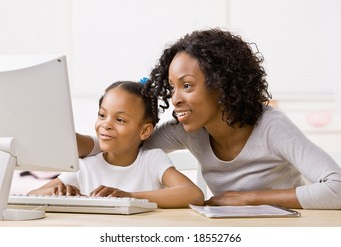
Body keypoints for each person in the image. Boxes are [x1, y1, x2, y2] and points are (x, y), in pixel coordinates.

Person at [78, 29, 341, 209]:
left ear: (222, 85)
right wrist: (66, 143)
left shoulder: (271, 127)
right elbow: (128, 142)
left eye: (188, 86)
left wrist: (249, 198)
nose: (175, 99)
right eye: (172, 88)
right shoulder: (190, 130)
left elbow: (336, 188)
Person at [28, 81, 204, 208]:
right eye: (102, 115)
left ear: (144, 131)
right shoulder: (86, 166)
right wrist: (59, 192)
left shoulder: (151, 160)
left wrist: (130, 197)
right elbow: (31, 196)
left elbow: (193, 195)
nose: (106, 124)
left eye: (119, 119)